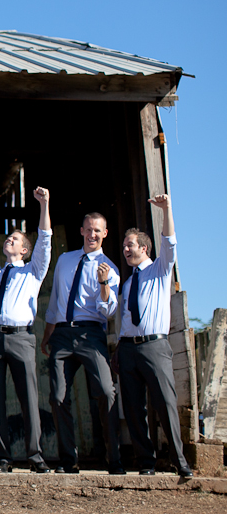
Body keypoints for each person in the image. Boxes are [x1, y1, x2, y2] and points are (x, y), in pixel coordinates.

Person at [0, 187, 52, 473]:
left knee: (28, 396)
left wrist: (44, 205)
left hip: (21, 337)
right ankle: (3, 457)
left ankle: (35, 455)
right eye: (8, 237)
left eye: (16, 238)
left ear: (25, 250)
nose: (10, 239)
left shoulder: (32, 271)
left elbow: (45, 241)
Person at [41, 211, 123, 474]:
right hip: (62, 335)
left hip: (91, 335)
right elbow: (55, 301)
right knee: (57, 397)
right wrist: (47, 333)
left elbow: (107, 311)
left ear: (104, 234)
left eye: (97, 230)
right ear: (81, 231)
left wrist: (103, 284)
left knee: (107, 392)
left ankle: (115, 459)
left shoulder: (110, 268)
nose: (92, 234)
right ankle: (68, 460)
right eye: (88, 229)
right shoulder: (65, 260)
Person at [117, 194, 192, 478]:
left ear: (145, 248)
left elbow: (170, 244)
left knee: (165, 403)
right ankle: (145, 463)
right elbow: (124, 319)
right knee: (134, 409)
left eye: (130, 245)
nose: (125, 249)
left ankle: (179, 461)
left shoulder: (160, 270)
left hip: (154, 346)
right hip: (128, 350)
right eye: (124, 245)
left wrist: (167, 209)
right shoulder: (127, 282)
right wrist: (119, 352)